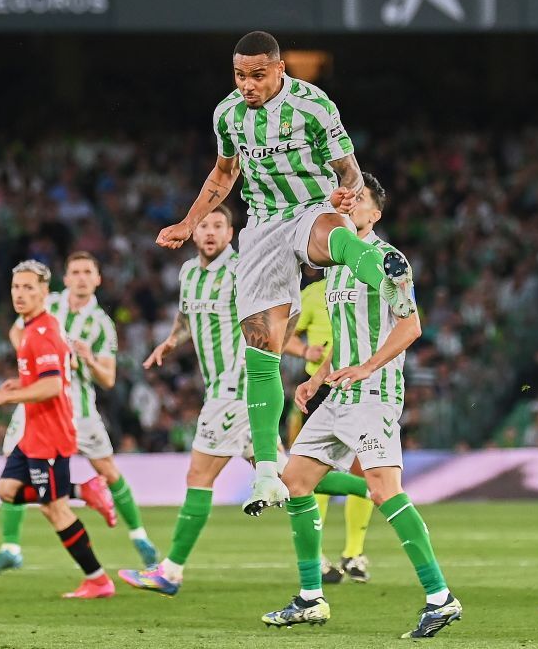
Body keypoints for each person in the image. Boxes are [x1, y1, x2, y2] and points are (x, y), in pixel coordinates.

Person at [156, 30, 417, 516]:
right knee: (261, 344)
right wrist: (189, 222)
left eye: (258, 75)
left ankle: (382, 271)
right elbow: (224, 173)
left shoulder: (313, 106)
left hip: (312, 206)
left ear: (279, 69)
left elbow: (349, 170)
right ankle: (266, 474)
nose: (247, 85)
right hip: (262, 226)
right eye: (240, 75)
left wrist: (346, 194)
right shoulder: (227, 114)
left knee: (330, 236)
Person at [119, 204, 368, 596]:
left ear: (230, 233)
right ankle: (375, 490)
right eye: (204, 225)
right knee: (289, 477)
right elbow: (186, 318)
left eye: (218, 225)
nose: (210, 232)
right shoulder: (188, 273)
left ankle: (170, 571)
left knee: (199, 477)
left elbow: (287, 309)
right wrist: (170, 341)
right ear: (194, 233)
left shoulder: (242, 270)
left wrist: (276, 355)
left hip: (234, 391)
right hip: (220, 391)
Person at [261, 175, 462, 638]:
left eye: (360, 201)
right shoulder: (334, 265)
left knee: (385, 491)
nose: (349, 206)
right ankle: (310, 597)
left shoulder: (390, 261)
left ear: (376, 214)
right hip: (339, 392)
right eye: (346, 199)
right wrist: (316, 378)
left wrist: (367, 367)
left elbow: (411, 326)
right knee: (296, 481)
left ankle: (440, 598)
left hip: (374, 393)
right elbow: (345, 335)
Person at [0, 260, 114, 599]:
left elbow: (52, 386)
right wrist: (21, 383)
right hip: (33, 432)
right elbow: (52, 374)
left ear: (44, 293)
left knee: (54, 509)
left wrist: (4, 398)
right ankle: (82, 489)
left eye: (28, 288)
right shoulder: (32, 327)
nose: (20, 294)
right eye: (16, 287)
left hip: (50, 435)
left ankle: (97, 580)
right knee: (7, 490)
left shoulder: (42, 333)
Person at [9, 251, 158, 567]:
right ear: (65, 278)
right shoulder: (47, 303)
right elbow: (16, 332)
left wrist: (88, 359)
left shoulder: (102, 324)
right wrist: (43, 357)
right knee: (13, 466)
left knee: (108, 470)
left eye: (87, 272)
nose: (81, 278)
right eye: (75, 272)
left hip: (80, 409)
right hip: (39, 402)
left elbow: (108, 378)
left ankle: (139, 536)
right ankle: (10, 547)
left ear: (98, 279)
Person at [285, 274, 375, 585]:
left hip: (360, 387)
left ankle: (353, 553)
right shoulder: (313, 293)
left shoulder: (367, 282)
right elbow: (285, 335)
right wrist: (303, 352)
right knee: (313, 472)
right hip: (321, 389)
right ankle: (318, 555)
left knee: (363, 468)